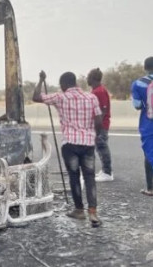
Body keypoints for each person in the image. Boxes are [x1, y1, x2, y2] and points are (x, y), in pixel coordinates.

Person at [33, 71, 103, 227]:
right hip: (88, 143)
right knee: (90, 177)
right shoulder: (91, 97)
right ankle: (93, 212)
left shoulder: (61, 97)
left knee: (74, 176)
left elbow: (36, 97)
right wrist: (95, 136)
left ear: (63, 85)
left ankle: (79, 210)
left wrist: (41, 80)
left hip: (70, 144)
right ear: (76, 82)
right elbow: (99, 120)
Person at [131, 56, 153, 196]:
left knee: (150, 152)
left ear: (145, 68)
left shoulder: (138, 83)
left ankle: (150, 188)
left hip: (149, 122)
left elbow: (137, 105)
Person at [87, 69, 113, 182]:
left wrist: (97, 126)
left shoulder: (99, 91)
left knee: (102, 147)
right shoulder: (96, 91)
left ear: (93, 78)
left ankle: (107, 172)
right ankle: (105, 170)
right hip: (99, 124)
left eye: (88, 76)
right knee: (99, 147)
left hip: (100, 125)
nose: (87, 79)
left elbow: (103, 110)